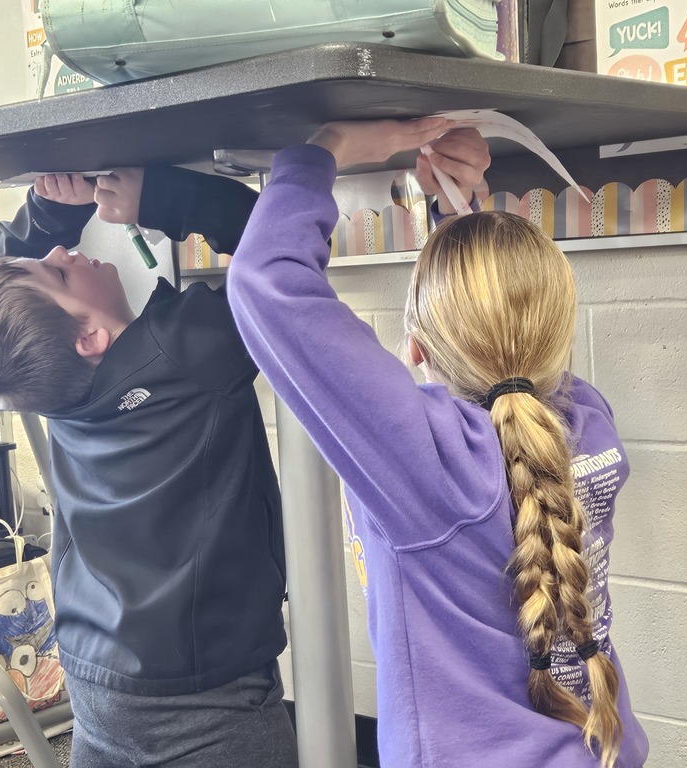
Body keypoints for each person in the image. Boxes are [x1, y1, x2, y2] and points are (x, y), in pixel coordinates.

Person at [226, 118, 649, 768]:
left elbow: (263, 280)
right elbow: (502, 331)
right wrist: (457, 208)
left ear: (416, 348)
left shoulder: (430, 465)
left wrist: (325, 150)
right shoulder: (586, 421)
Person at [0, 166, 297, 767]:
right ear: (88, 337)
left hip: (92, 673)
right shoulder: (188, 350)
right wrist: (159, 196)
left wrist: (52, 206)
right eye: (59, 270)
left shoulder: (45, 378)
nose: (64, 251)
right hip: (207, 699)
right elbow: (284, 246)